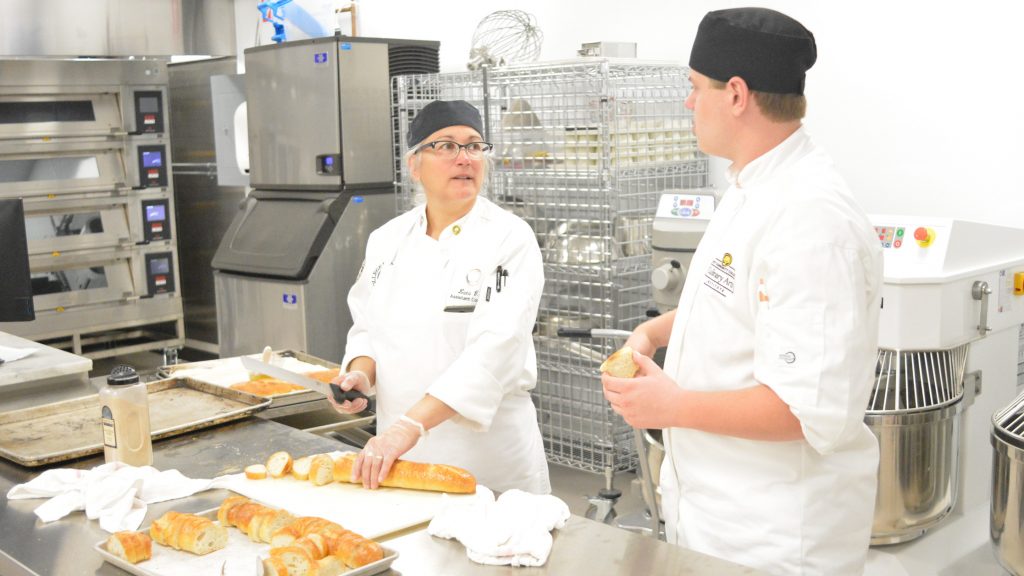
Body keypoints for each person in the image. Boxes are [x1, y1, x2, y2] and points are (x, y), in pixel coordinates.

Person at [601, 8, 882, 575]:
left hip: (776, 537)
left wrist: (672, 406)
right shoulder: (751, 184)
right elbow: (727, 300)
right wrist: (655, 331)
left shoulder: (810, 219)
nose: (687, 103)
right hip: (718, 517)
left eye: (693, 88)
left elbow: (807, 411)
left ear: (735, 94)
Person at [328, 100, 551, 495]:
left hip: (486, 462)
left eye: (474, 146)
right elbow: (366, 327)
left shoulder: (510, 238)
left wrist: (411, 425)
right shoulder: (387, 240)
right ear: (415, 165)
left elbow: (496, 349)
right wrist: (361, 374)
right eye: (446, 146)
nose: (464, 158)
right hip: (400, 459)